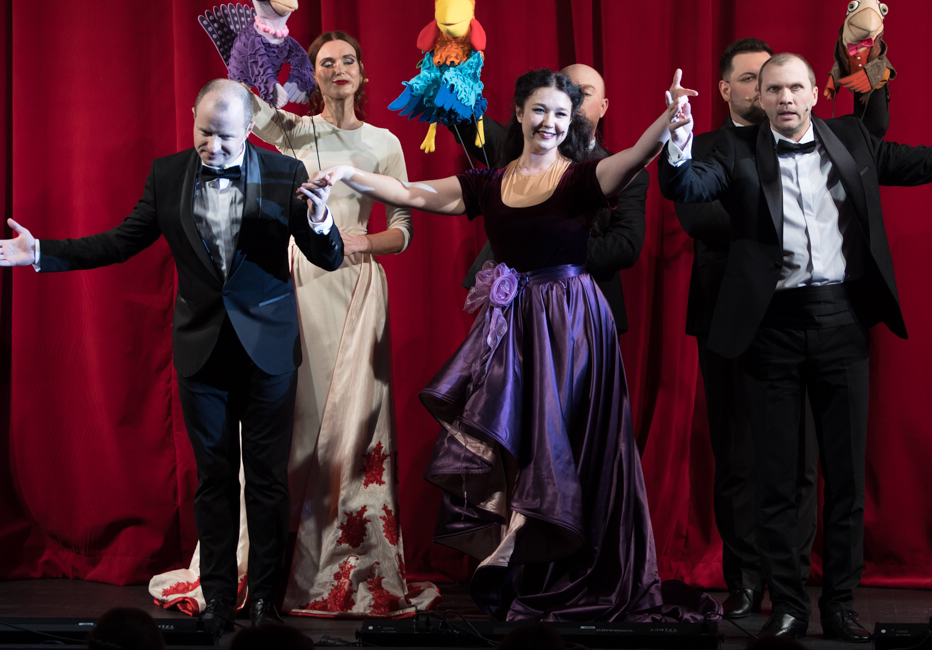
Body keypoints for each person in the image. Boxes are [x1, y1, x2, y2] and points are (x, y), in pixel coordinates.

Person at [658, 53, 932, 640]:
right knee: (777, 478)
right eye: (774, 90)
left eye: (796, 87)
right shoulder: (733, 151)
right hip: (771, 330)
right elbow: (687, 186)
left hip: (842, 324)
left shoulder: (851, 138)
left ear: (813, 95)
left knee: (845, 478)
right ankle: (789, 605)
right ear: (761, 100)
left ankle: (840, 604)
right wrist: (677, 138)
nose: (786, 98)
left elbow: (926, 163)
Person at [305, 68, 719, 623]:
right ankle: (524, 563)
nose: (550, 122)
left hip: (572, 328)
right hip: (513, 327)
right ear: (520, 113)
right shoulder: (489, 183)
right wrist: (347, 174)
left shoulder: (582, 178)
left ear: (572, 123)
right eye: (540, 110)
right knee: (515, 442)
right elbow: (408, 193)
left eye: (561, 114)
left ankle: (554, 560)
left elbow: (635, 158)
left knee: (560, 443)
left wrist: (669, 120)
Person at [0, 79, 345, 635]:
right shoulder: (167, 174)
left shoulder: (285, 173)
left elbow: (327, 257)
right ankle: (217, 597)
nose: (212, 146)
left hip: (267, 350)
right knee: (213, 479)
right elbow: (120, 242)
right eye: (204, 132)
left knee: (267, 481)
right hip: (201, 350)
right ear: (192, 117)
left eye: (225, 137)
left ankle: (266, 602)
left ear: (249, 129)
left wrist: (320, 222)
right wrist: (40, 254)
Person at [151, 32, 439, 618]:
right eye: (325, 62)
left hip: (354, 289)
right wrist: (262, 33)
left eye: (347, 60)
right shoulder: (292, 131)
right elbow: (238, 98)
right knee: (286, 435)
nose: (337, 69)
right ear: (312, 74)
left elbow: (404, 228)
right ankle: (262, 572)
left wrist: (358, 241)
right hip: (293, 287)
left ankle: (336, 564)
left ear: (363, 71)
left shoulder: (384, 142)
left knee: (348, 432)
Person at [675, 38, 889, 618]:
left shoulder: (823, 141)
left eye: (780, 82)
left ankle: (802, 588)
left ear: (810, 93)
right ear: (730, 89)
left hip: (816, 318)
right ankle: (747, 579)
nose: (766, 91)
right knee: (743, 459)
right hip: (732, 319)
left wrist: (865, 54)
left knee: (808, 465)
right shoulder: (716, 149)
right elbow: (697, 211)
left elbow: (883, 139)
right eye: (754, 81)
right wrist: (766, 220)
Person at [461, 63, 648, 333]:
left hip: (585, 317)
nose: (574, 98)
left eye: (584, 93)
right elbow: (476, 128)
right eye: (568, 89)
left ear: (603, 107)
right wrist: (451, 81)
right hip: (513, 309)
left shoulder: (623, 172)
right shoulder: (519, 148)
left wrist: (550, 249)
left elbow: (625, 246)